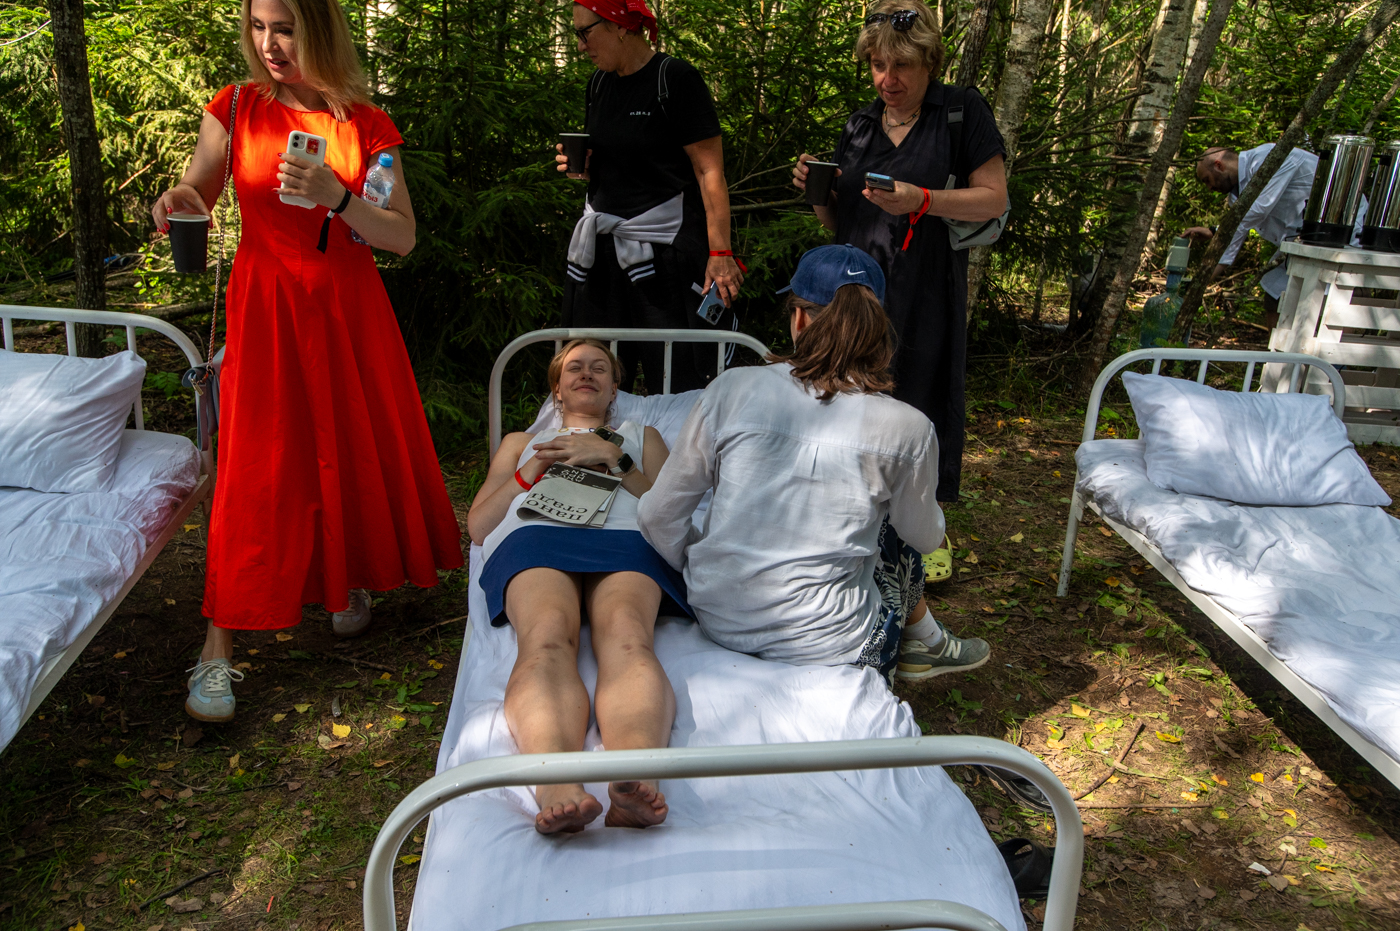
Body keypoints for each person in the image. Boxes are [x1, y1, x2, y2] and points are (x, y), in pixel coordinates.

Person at [150, 0, 463, 724]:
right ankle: (217, 647)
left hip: (347, 309)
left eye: (284, 28)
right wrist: (183, 197)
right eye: (258, 28)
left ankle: (344, 578)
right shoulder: (235, 107)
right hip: (267, 307)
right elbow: (200, 188)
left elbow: (401, 236)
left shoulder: (367, 124)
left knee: (347, 443)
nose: (269, 44)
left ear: (319, 29)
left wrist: (337, 198)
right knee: (254, 465)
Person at [637, 245, 988, 683]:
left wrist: (698, 558)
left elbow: (657, 514)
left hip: (719, 618)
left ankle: (927, 640)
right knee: (896, 524)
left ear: (799, 318)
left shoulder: (731, 389)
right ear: (875, 327)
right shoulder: (908, 428)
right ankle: (928, 642)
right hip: (833, 645)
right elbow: (926, 537)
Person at [791, 1, 1006, 508]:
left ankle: (913, 526)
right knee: (847, 410)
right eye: (877, 65)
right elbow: (840, 222)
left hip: (925, 292)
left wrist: (922, 199)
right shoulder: (860, 125)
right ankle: (845, 513)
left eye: (902, 65)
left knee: (916, 407)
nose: (887, 79)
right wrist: (818, 192)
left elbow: (993, 198)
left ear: (930, 60)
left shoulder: (959, 112)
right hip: (854, 296)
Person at [468, 339, 685, 835]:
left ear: (614, 390)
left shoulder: (642, 436)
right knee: (546, 637)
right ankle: (556, 784)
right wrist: (533, 468)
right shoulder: (521, 443)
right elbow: (479, 526)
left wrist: (616, 458)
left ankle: (635, 778)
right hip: (538, 536)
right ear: (558, 391)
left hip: (626, 538)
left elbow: (671, 511)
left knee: (628, 636)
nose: (586, 374)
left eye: (599, 368)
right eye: (574, 368)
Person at [555, 0, 744, 395]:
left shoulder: (674, 79)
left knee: (678, 381)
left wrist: (720, 253)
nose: (581, 45)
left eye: (585, 32)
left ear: (620, 25)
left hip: (666, 258)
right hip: (604, 260)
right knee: (596, 381)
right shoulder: (599, 84)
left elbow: (709, 171)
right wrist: (586, 167)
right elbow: (626, 163)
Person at [1186, 144, 1362, 329]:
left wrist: (1215, 239)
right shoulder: (1236, 197)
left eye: (1207, 180)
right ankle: (1276, 347)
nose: (1209, 187)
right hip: (1301, 242)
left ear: (1219, 165)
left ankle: (1340, 342)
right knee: (1274, 290)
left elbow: (1257, 210)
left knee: (1337, 298)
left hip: (1340, 230)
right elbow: (1236, 235)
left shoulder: (1268, 157)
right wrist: (1214, 235)